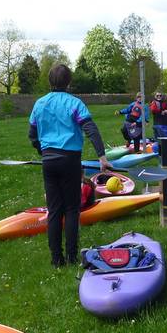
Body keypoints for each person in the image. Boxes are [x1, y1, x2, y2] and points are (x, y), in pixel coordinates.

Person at [29, 64, 109, 268]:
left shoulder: (39, 104)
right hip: (70, 160)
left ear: (49, 81)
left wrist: (43, 151)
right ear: (69, 82)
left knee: (54, 211)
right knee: (72, 209)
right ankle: (72, 257)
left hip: (49, 161)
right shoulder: (75, 103)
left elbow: (32, 135)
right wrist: (102, 156)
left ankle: (57, 259)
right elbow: (90, 128)